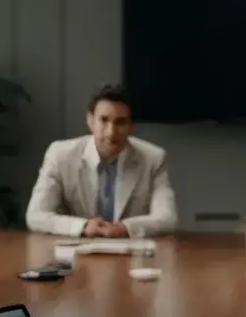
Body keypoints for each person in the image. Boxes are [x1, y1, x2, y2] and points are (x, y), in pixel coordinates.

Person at [25, 84, 177, 238]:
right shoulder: (60, 155)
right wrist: (83, 226)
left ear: (131, 127)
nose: (111, 132)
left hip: (131, 249)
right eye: (104, 120)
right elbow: (36, 215)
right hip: (75, 247)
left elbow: (167, 219)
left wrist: (125, 228)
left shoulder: (153, 158)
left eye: (120, 122)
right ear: (90, 121)